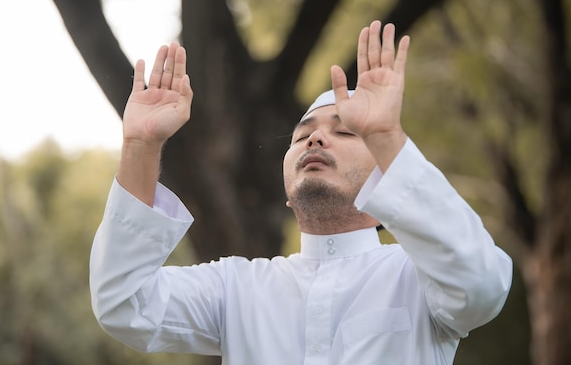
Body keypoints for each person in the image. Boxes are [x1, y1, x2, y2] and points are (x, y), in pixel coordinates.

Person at [89, 20, 513, 364]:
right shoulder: (236, 288)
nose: (315, 141)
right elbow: (126, 305)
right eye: (301, 137)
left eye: (345, 131)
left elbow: (481, 286)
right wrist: (140, 147)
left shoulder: (420, 277)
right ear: (288, 193)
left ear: (389, 180)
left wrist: (385, 133)